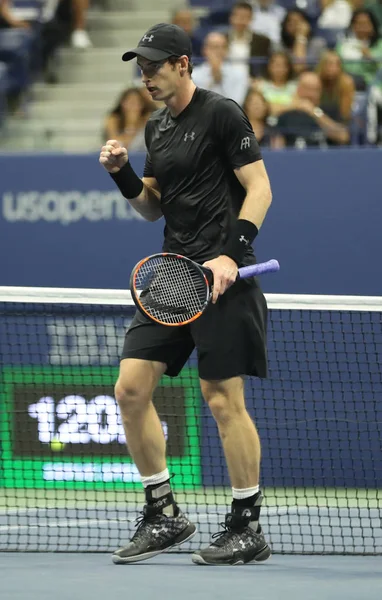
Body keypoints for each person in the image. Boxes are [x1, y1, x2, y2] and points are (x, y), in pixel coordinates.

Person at [99, 22, 273, 566]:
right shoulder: (156, 128)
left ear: (182, 64)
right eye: (140, 67)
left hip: (223, 277)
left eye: (153, 65)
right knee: (130, 390)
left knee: (222, 400)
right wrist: (124, 174)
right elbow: (152, 205)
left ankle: (246, 526)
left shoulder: (222, 112)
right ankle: (163, 513)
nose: (145, 76)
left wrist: (230, 251)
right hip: (173, 275)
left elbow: (260, 187)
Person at [274, 71, 350, 147]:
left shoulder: (330, 110)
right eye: (307, 88)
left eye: (316, 89)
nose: (311, 94)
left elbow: (343, 137)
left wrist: (315, 112)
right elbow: (277, 146)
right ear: (298, 89)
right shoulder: (287, 114)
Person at [192, 31, 249, 105]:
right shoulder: (194, 75)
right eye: (214, 47)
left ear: (227, 51)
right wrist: (212, 81)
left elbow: (237, 104)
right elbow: (196, 104)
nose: (218, 51)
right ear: (205, 50)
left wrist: (220, 80)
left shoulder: (239, 75)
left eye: (223, 47)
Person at [336, 8, 382, 89]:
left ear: (373, 25)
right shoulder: (343, 44)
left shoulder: (380, 44)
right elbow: (337, 62)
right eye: (358, 23)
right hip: (344, 79)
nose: (362, 27)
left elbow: (379, 67)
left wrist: (368, 56)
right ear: (352, 25)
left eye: (365, 23)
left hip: (369, 81)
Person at [227, 1, 271, 78]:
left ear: (251, 19)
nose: (240, 21)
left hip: (251, 81)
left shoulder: (262, 41)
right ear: (231, 18)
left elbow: (263, 68)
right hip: (226, 81)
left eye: (244, 17)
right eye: (238, 16)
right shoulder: (221, 39)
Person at [280, 8, 327, 73]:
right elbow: (298, 68)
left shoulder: (318, 44)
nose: (295, 26)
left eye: (298, 22)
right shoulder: (280, 46)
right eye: (291, 22)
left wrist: (301, 37)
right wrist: (300, 37)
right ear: (285, 26)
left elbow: (300, 68)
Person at [254, 51, 297, 115]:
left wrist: (270, 106)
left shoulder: (295, 87)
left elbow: (297, 107)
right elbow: (258, 109)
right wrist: (287, 107)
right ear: (269, 67)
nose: (279, 69)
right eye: (276, 65)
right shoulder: (259, 86)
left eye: (283, 65)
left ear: (288, 68)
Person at [317, 50, 355, 122]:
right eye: (329, 64)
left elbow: (345, 115)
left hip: (338, 123)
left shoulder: (346, 83)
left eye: (337, 65)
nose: (333, 69)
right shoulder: (315, 81)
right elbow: (311, 109)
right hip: (316, 121)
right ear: (321, 66)